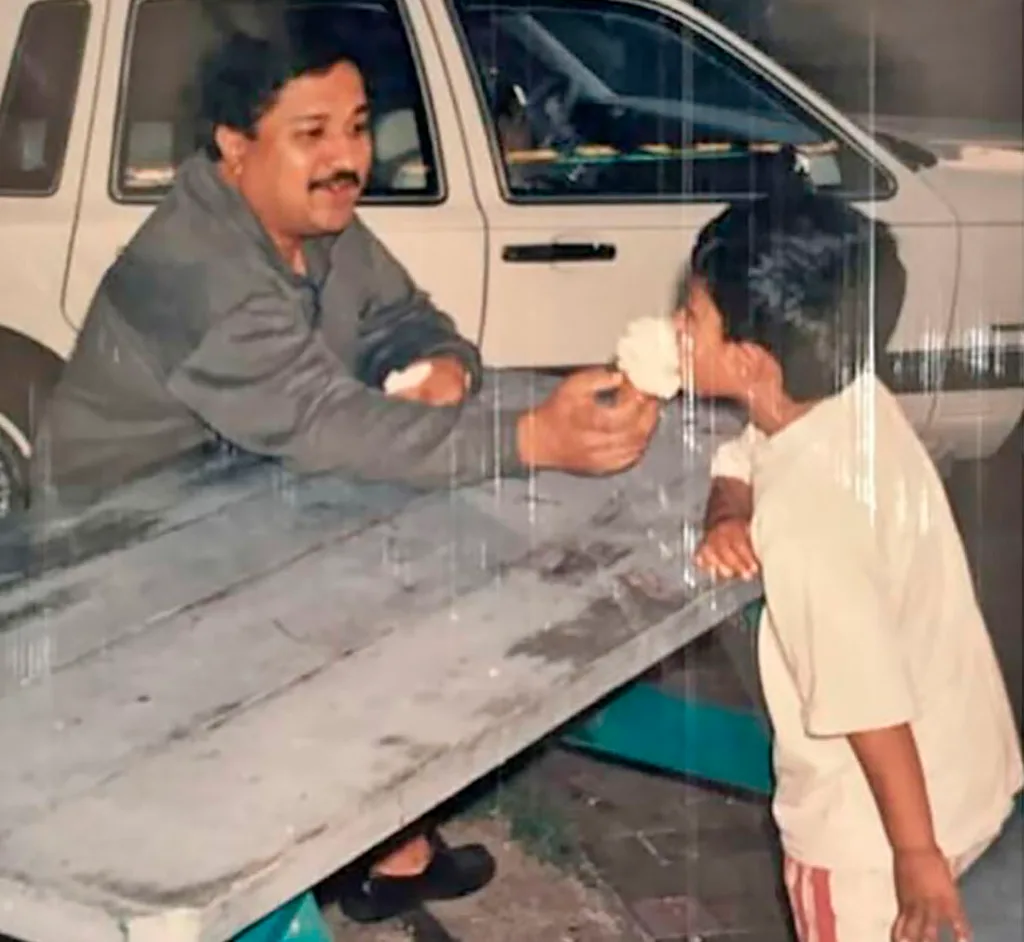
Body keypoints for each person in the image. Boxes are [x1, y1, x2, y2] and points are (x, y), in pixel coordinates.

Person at [28, 13, 659, 925]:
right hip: (104, 570)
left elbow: (410, 317)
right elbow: (328, 425)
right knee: (351, 628)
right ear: (234, 145)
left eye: (359, 126)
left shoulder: (316, 222)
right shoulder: (195, 270)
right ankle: (291, 878)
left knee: (429, 572)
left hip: (235, 506)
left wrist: (435, 365)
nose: (347, 158)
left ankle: (379, 843)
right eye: (312, 134)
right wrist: (530, 439)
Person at [675, 181, 1023, 942]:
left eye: (692, 316)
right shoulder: (849, 397)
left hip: (870, 842)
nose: (676, 326)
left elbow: (869, 709)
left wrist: (914, 857)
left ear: (751, 360)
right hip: (962, 770)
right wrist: (728, 504)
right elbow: (750, 448)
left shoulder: (807, 520)